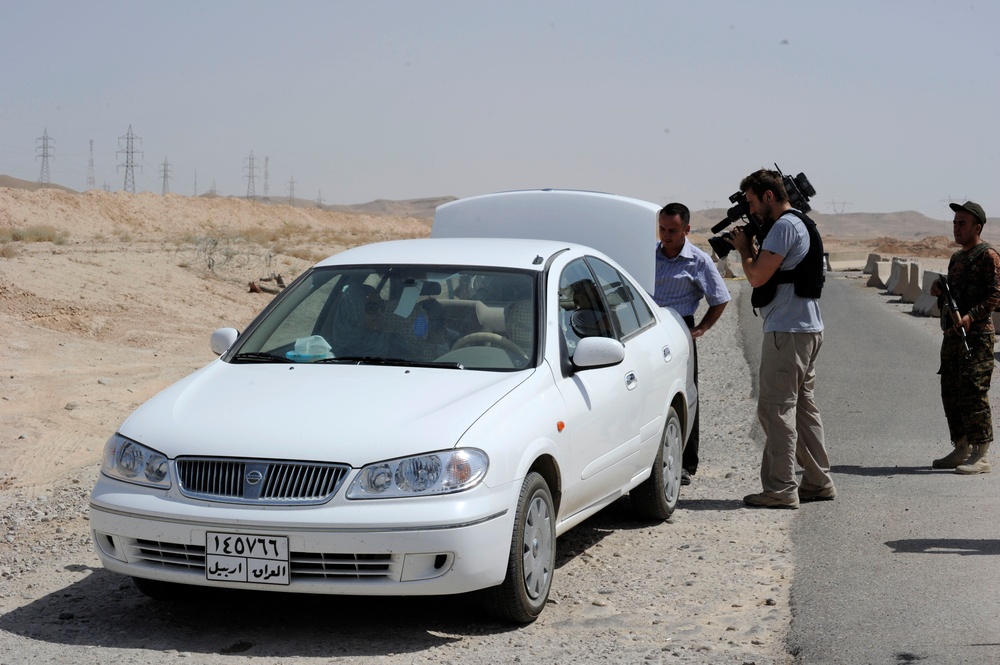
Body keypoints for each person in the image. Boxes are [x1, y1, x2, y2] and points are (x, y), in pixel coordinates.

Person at [727, 169, 835, 509]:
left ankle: (780, 488)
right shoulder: (801, 223)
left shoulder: (785, 226)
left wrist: (745, 248)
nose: (751, 209)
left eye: (752, 201)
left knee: (776, 410)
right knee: (802, 410)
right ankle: (817, 482)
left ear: (769, 196)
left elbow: (758, 276)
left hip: (788, 332)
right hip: (805, 330)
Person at [653, 202, 731, 486]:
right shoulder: (648, 255)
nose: (666, 235)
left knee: (684, 397)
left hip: (679, 332)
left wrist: (702, 328)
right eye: (662, 229)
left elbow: (720, 298)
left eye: (672, 230)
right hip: (647, 333)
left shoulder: (698, 261)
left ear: (686, 229)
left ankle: (685, 463)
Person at [929, 201, 1000, 474]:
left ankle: (981, 453)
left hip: (977, 337)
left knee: (973, 392)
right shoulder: (957, 258)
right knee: (952, 391)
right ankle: (961, 447)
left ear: (977, 227)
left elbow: (995, 294)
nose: (957, 228)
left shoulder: (988, 256)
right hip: (953, 336)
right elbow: (953, 291)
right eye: (955, 223)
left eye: (962, 223)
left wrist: (971, 316)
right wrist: (938, 289)